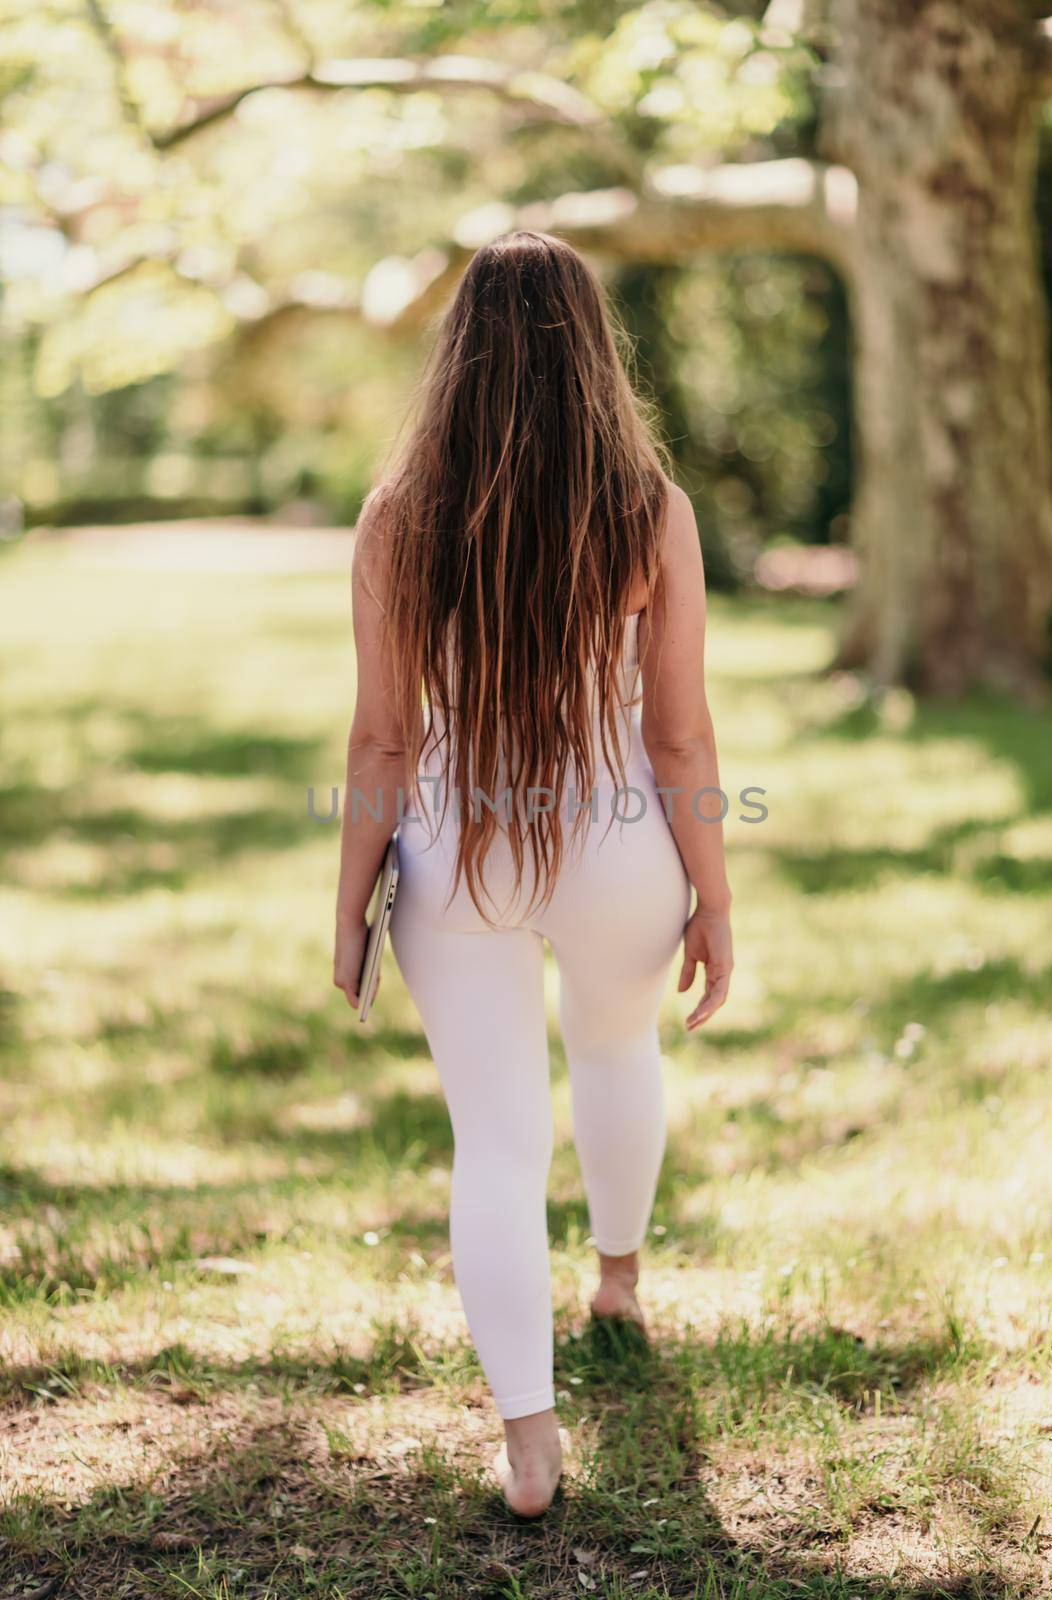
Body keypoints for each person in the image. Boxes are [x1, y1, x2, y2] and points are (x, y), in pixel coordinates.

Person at [333, 231, 732, 1517]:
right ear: (593, 351)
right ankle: (615, 1277)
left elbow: (382, 739)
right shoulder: (647, 510)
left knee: (494, 1143)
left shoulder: (401, 517)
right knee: (617, 1055)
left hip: (455, 853)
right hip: (619, 841)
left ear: (455, 357)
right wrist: (712, 890)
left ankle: (529, 1443)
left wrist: (350, 902)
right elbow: (677, 732)